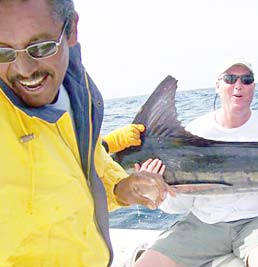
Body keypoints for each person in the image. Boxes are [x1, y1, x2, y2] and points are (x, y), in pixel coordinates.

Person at [0, 0, 171, 266]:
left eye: (42, 47)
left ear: (71, 30)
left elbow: (81, 168)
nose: (24, 70)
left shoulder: (78, 92)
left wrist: (120, 187)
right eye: (3, 52)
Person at [134, 60, 258, 267]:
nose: (238, 85)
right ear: (218, 85)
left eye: (247, 79)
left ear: (254, 87)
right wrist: (157, 189)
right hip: (203, 224)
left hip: (256, 222)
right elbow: (182, 206)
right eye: (230, 79)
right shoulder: (197, 131)